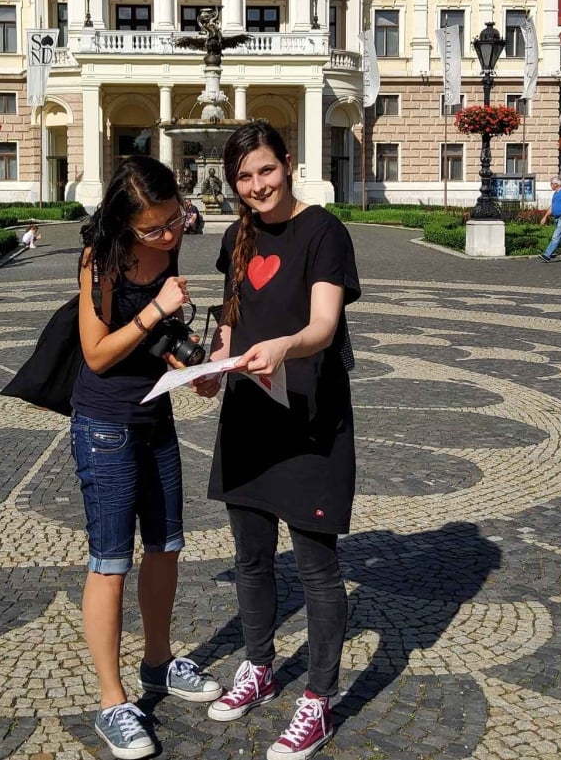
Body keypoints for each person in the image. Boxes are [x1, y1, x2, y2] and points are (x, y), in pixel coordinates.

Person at [194, 120, 360, 760]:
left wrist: (285, 346)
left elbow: (323, 325)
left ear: (287, 163)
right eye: (243, 176)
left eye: (265, 170)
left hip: (309, 417)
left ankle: (318, 700)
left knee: (317, 569)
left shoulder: (323, 232)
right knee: (251, 558)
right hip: (249, 414)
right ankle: (259, 667)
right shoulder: (236, 237)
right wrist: (212, 367)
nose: (257, 185)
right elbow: (231, 323)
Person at [70, 155, 220, 760]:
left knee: (166, 546)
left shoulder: (170, 247)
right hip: (105, 422)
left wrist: (192, 366)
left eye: (174, 221)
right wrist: (156, 309)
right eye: (152, 228)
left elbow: (157, 343)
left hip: (155, 415)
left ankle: (158, 661)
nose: (166, 235)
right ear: (124, 222)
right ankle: (113, 701)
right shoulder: (99, 259)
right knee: (111, 559)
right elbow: (98, 353)